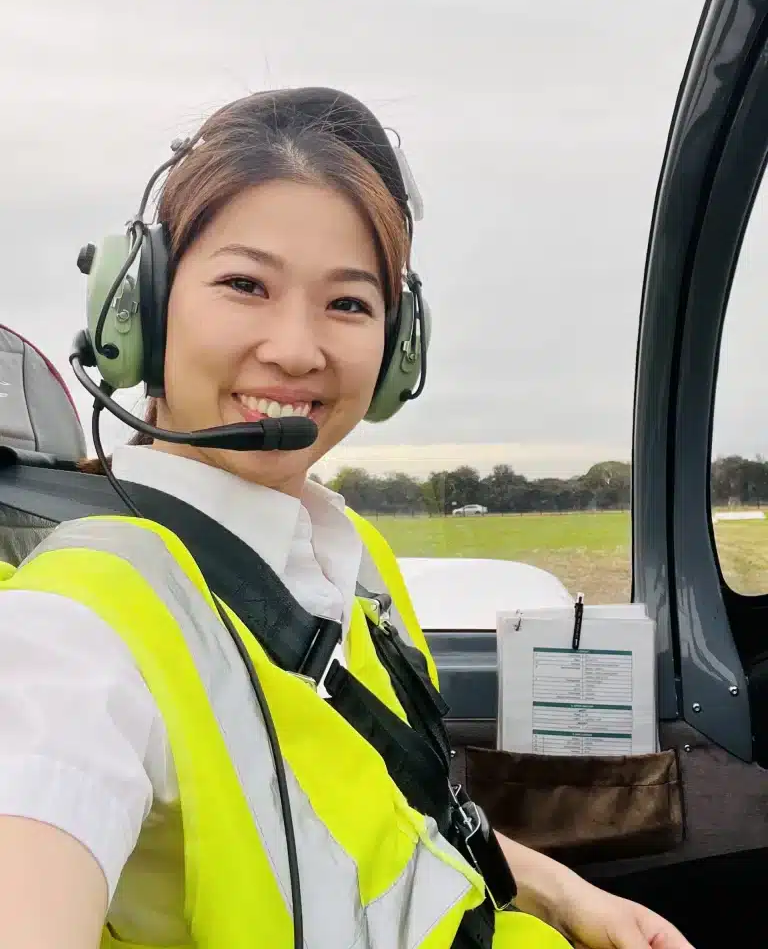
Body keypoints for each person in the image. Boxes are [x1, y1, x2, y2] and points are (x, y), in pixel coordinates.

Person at [0, 87, 694, 949]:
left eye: (349, 303)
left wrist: (558, 891)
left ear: (399, 351)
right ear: (138, 308)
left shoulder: (349, 554)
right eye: (244, 284)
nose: (296, 348)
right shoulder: (73, 629)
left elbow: (398, 812)